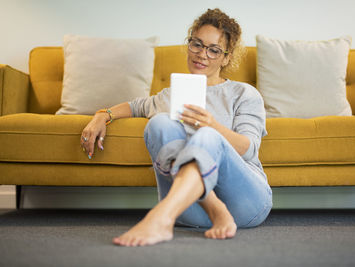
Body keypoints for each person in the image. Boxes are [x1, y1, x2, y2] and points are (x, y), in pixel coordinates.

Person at [80, 8, 272, 247]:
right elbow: (135, 106)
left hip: (246, 203)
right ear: (188, 44)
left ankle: (160, 217)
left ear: (226, 57)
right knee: (158, 122)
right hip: (190, 212)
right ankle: (213, 207)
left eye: (214, 50)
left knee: (208, 136)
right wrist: (102, 116)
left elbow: (250, 149)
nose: (202, 54)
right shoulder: (169, 96)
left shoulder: (243, 93)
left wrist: (212, 126)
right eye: (197, 44)